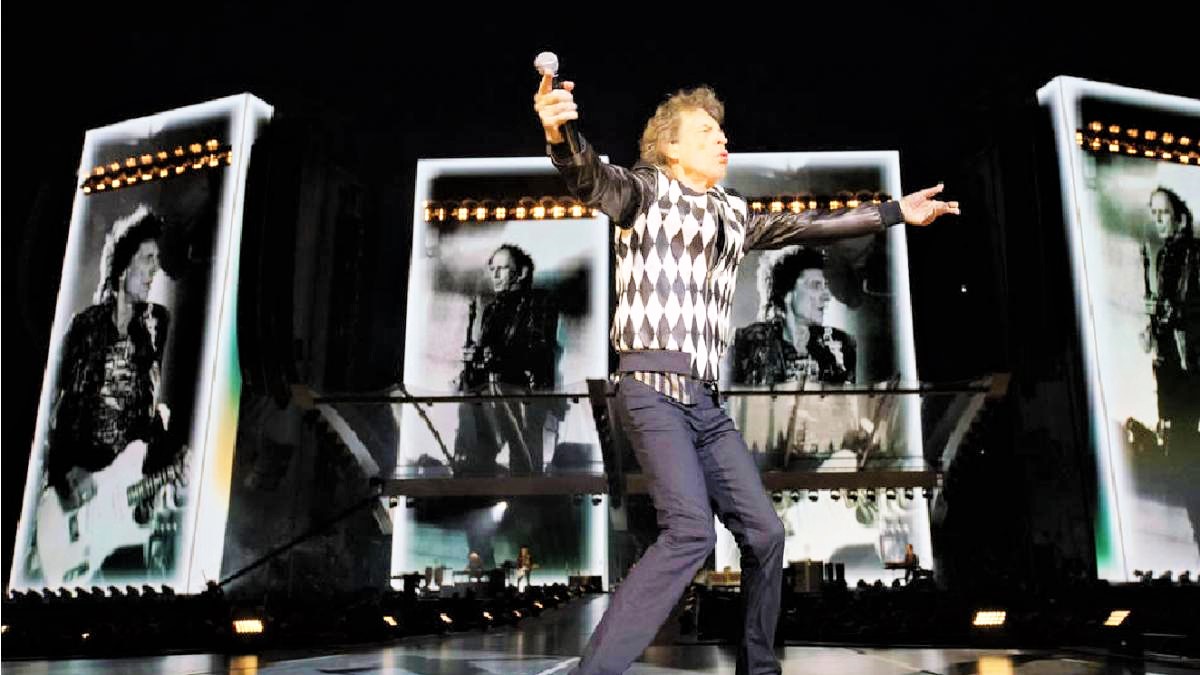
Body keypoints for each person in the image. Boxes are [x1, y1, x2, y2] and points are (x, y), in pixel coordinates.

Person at [535, 74, 958, 674]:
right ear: (670, 147)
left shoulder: (734, 213)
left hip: (705, 404)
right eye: (706, 132)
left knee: (765, 534)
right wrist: (561, 133)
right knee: (690, 530)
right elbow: (589, 179)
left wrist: (894, 212)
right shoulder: (644, 192)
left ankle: (759, 669)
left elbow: (811, 226)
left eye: (723, 131)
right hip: (651, 388)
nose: (722, 139)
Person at [39, 207, 187, 584]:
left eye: (157, 260)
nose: (154, 270)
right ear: (123, 265)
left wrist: (173, 462)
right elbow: (53, 408)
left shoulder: (155, 326)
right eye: (147, 259)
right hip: (76, 496)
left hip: (127, 500)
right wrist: (63, 471)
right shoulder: (85, 327)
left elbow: (151, 417)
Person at [452, 243, 563, 475]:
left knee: (525, 464)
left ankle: (526, 493)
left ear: (522, 273)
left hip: (526, 396)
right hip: (493, 396)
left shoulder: (540, 303)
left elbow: (539, 350)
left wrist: (492, 355)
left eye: (501, 268)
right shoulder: (492, 310)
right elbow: (488, 352)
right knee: (483, 459)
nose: (495, 275)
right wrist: (474, 360)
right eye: (492, 269)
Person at [731, 246, 856, 385]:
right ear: (787, 293)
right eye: (816, 285)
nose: (827, 296)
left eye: (825, 286)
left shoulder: (840, 345)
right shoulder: (749, 342)